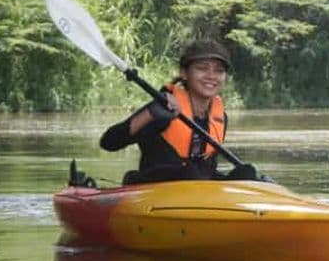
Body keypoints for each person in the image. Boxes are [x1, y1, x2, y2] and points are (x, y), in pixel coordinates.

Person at [100, 40, 256, 184]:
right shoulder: (163, 108)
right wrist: (150, 113)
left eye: (219, 71)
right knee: (190, 172)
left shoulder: (220, 118)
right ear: (184, 73)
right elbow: (109, 142)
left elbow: (208, 169)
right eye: (202, 68)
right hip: (157, 189)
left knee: (247, 173)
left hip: (199, 192)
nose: (211, 76)